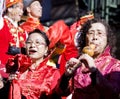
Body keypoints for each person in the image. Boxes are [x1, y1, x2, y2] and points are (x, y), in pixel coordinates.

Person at [61, 18, 120, 99]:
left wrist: (94, 71)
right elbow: (63, 93)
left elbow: (113, 94)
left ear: (107, 39)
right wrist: (66, 76)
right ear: (85, 38)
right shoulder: (78, 63)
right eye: (91, 33)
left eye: (100, 33)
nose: (95, 37)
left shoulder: (115, 65)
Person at [6, 29, 62, 99]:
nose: (32, 45)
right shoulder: (17, 70)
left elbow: (59, 93)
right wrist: (8, 84)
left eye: (37, 43)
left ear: (46, 49)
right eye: (29, 42)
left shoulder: (52, 73)